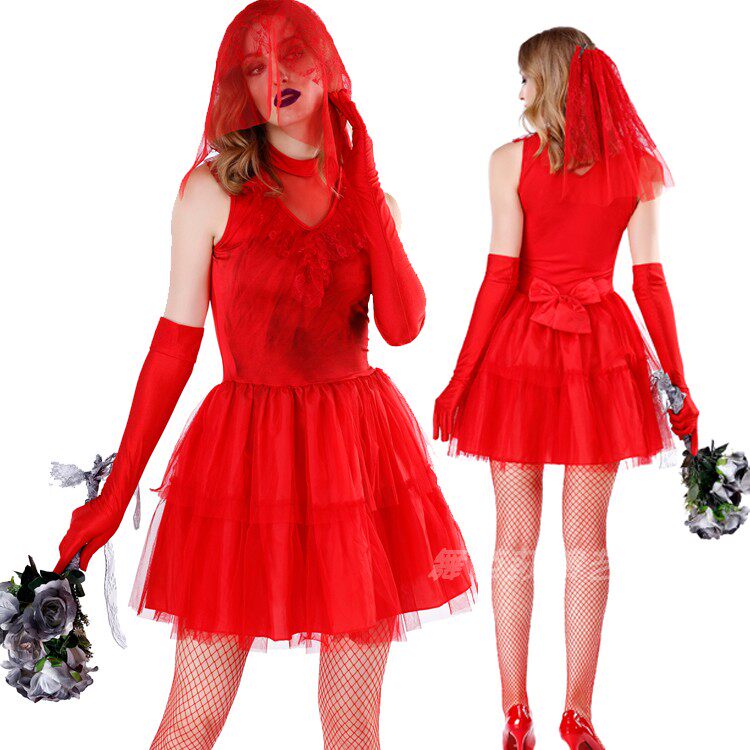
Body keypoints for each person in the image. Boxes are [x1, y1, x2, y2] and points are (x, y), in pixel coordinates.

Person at [53, 2, 476, 748]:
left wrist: (367, 184)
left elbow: (404, 327)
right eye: (255, 65)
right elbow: (173, 348)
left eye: (292, 54)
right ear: (239, 87)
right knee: (193, 717)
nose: (276, 74)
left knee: (353, 725)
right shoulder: (211, 192)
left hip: (356, 464)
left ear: (328, 65)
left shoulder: (371, 201)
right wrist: (115, 497)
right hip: (246, 462)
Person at [433, 27, 699, 750]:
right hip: (600, 354)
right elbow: (650, 283)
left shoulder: (509, 162)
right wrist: (679, 388)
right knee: (587, 545)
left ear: (549, 82)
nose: (518, 90)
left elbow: (500, 277)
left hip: (519, 353)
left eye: (526, 77)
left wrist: (460, 378)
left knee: (513, 544)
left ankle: (514, 711)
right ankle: (577, 712)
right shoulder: (637, 169)